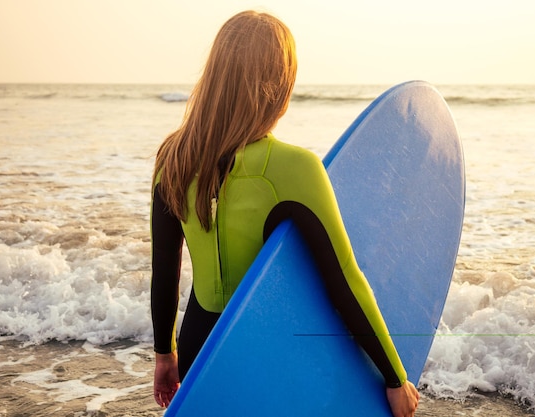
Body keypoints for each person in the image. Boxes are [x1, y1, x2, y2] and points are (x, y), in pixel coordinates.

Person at [150, 10, 420, 416]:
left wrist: (164, 354)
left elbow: (165, 269)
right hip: (266, 356)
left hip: (199, 351)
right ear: (279, 85)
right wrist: (395, 378)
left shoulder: (173, 156)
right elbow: (344, 280)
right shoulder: (294, 168)